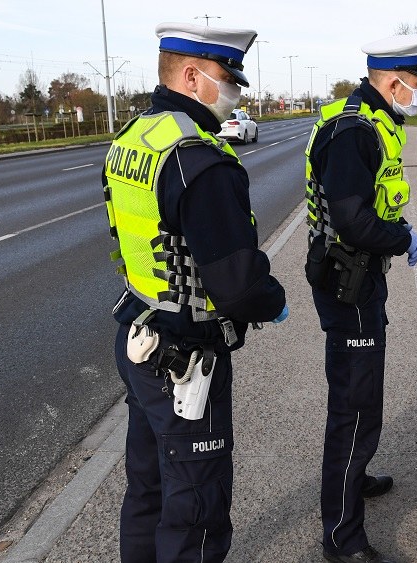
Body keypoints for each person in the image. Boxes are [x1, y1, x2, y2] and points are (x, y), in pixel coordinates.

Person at [103, 22, 287, 563]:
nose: (234, 91)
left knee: (148, 490)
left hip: (139, 337)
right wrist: (273, 301)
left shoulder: (134, 138)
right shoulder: (198, 160)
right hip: (185, 361)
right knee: (196, 513)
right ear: (192, 75)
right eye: (228, 78)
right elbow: (237, 285)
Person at [303, 32, 417, 563]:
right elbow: (353, 219)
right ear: (392, 82)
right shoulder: (354, 131)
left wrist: (395, 227)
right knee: (355, 411)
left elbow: (371, 200)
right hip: (348, 283)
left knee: (360, 402)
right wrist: (404, 238)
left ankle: (353, 481)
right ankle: (343, 539)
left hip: (356, 277)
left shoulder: (366, 120)